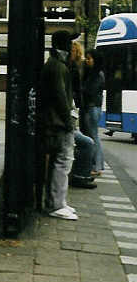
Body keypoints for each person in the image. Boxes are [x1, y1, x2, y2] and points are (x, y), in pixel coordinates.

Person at [40, 29, 80, 220]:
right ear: (63, 45)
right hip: (58, 124)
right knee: (63, 162)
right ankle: (56, 204)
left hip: (55, 123)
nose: (72, 46)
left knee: (59, 163)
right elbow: (61, 98)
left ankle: (57, 202)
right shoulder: (59, 67)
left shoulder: (55, 65)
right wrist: (69, 122)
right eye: (70, 43)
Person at [82, 48, 106, 176]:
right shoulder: (94, 73)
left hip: (92, 108)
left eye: (89, 58)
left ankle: (97, 166)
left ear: (95, 60)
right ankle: (98, 165)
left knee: (94, 137)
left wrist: (82, 89)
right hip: (93, 107)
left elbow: (89, 91)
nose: (87, 61)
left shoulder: (97, 74)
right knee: (94, 136)